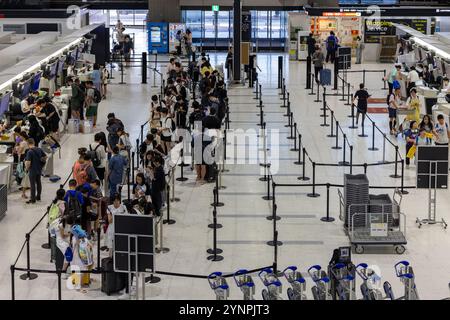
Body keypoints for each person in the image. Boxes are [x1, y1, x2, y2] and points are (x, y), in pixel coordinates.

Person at [24, 138, 47, 204]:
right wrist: (41, 163)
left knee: (32, 184)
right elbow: (45, 157)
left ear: (28, 143)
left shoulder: (29, 151)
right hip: (39, 169)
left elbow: (28, 162)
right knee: (39, 182)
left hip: (32, 170)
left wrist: (26, 168)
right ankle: (38, 196)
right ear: (33, 142)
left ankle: (33, 199)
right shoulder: (39, 149)